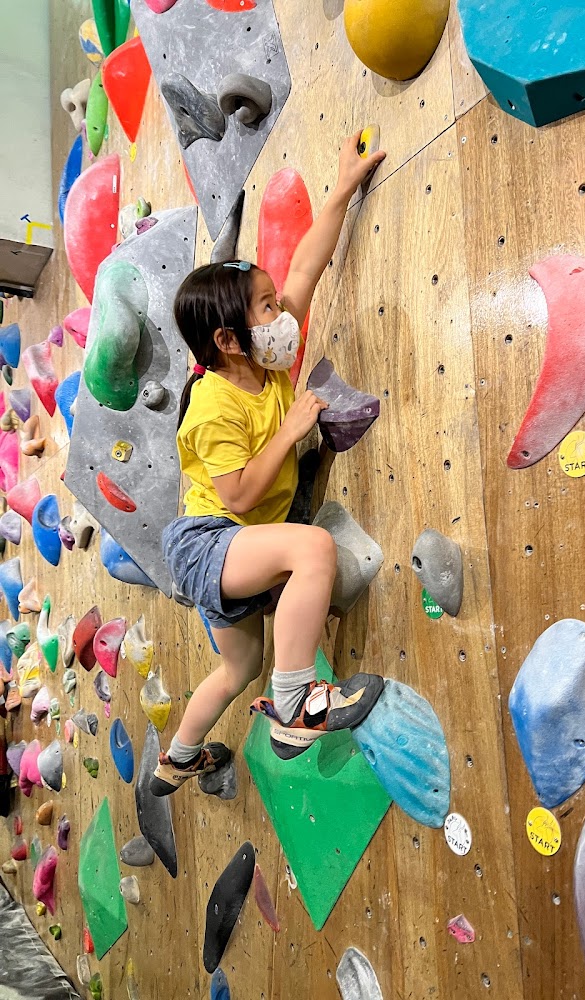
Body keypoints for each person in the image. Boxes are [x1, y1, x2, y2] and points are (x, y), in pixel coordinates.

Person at [150, 131, 387, 797]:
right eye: (265, 306)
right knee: (313, 550)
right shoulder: (214, 404)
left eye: (272, 299)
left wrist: (342, 188)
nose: (280, 309)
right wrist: (288, 432)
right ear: (227, 340)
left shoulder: (268, 361)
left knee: (238, 669)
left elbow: (308, 267)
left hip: (238, 549)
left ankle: (179, 757)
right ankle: (295, 709)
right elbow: (243, 493)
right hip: (210, 543)